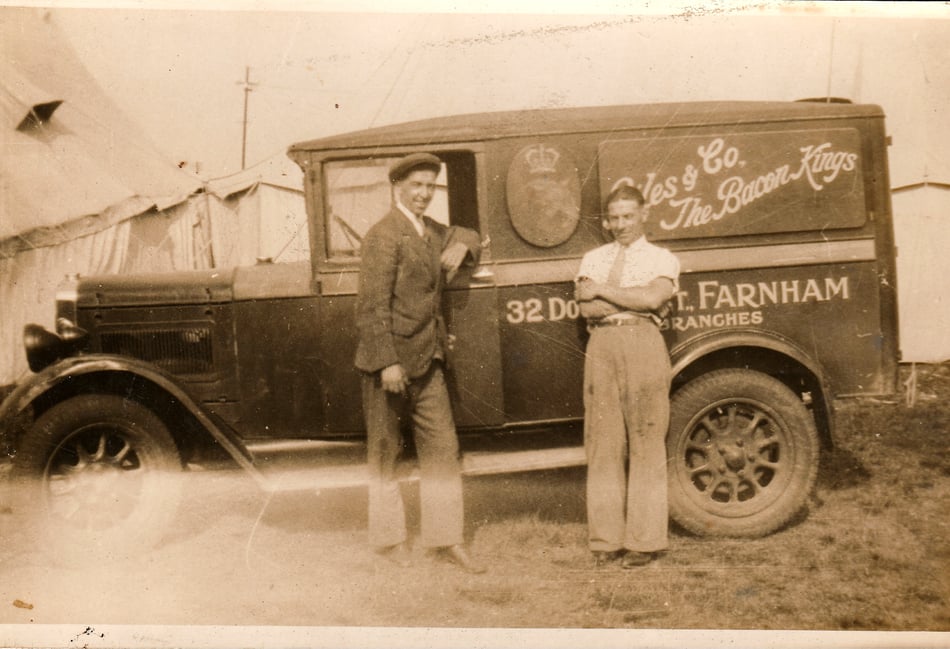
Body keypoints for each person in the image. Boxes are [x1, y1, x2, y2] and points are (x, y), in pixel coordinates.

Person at [354, 152, 486, 574]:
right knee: (385, 453)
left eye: (431, 186)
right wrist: (387, 362)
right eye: (417, 186)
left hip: (429, 361)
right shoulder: (383, 234)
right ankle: (389, 541)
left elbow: (470, 232)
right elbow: (371, 307)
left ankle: (446, 540)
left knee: (443, 451)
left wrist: (463, 244)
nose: (425, 194)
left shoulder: (431, 232)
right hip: (389, 365)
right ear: (398, 187)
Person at [574, 183, 680, 569]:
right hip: (601, 346)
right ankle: (605, 541)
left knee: (646, 441)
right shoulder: (593, 256)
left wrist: (603, 290)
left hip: (643, 344)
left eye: (628, 216)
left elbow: (654, 299)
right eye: (614, 218)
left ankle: (645, 540)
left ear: (644, 214)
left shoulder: (661, 258)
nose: (620, 225)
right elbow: (586, 308)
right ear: (606, 219)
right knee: (603, 445)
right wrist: (625, 295)